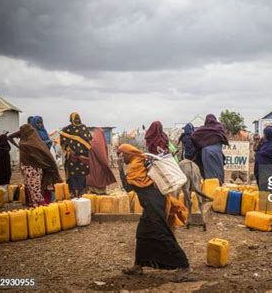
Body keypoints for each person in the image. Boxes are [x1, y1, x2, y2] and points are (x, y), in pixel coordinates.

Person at [117, 144, 190, 277]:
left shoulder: (135, 166)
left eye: (121, 154)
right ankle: (138, 265)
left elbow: (128, 188)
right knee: (142, 233)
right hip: (152, 204)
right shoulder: (141, 162)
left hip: (154, 205)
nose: (120, 157)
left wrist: (120, 168)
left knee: (162, 233)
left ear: (128, 154)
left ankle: (183, 265)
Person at [8, 124, 62, 206]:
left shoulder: (33, 142)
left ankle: (38, 204)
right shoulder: (31, 140)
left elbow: (43, 154)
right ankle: (34, 204)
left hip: (34, 168)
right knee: (30, 186)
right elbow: (10, 137)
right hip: (27, 167)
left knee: (35, 186)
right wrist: (18, 146)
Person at [60, 112, 92, 197]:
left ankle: (82, 191)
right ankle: (73, 192)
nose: (77, 120)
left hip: (83, 157)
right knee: (72, 175)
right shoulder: (67, 130)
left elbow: (89, 141)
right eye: (75, 119)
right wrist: (69, 150)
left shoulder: (84, 128)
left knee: (83, 174)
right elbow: (63, 142)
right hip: (71, 157)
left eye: (78, 119)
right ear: (71, 120)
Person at [191, 114, 229, 185]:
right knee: (219, 169)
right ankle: (219, 186)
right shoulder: (219, 128)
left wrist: (199, 145)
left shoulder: (203, 129)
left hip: (206, 152)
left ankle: (210, 188)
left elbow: (193, 135)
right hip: (217, 152)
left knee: (208, 170)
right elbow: (224, 137)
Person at [86, 128, 116, 194]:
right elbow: (102, 156)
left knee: (93, 192)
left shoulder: (93, 142)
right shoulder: (98, 144)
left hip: (93, 167)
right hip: (100, 166)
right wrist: (106, 165)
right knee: (99, 183)